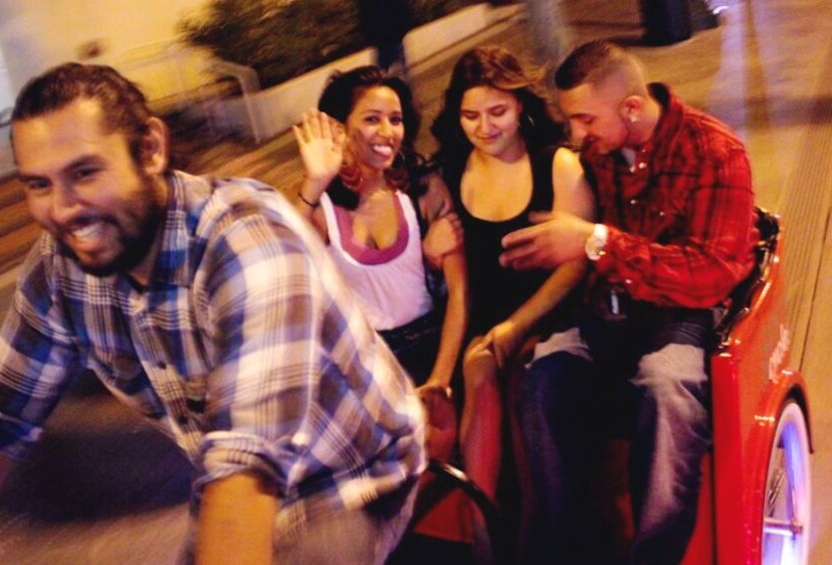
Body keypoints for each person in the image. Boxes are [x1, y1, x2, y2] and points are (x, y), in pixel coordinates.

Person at [0, 62, 426, 565]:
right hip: (233, 479)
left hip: (354, 481)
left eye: (85, 173)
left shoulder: (247, 243)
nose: (62, 209)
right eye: (39, 185)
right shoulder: (59, 268)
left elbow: (246, 462)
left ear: (151, 149)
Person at [499, 40, 757, 564]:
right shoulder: (597, 152)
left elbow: (710, 274)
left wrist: (598, 241)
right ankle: (568, 549)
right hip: (609, 313)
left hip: (681, 315)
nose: (576, 134)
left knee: (666, 389)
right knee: (544, 376)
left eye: (585, 119)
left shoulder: (715, 152)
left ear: (632, 108)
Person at [428, 45, 595, 559]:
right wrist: (433, 245)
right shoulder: (451, 170)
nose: (484, 127)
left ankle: (527, 538)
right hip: (482, 323)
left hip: (551, 318)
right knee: (478, 365)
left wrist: (519, 326)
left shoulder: (557, 165)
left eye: (497, 112)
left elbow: (577, 265)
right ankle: (486, 533)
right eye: (470, 115)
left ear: (521, 106)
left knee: (512, 371)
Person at [292, 65, 468, 396]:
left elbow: (460, 294)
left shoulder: (423, 188)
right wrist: (315, 182)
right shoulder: (320, 205)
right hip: (366, 365)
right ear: (341, 127)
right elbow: (286, 266)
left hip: (433, 347)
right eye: (372, 119)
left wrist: (439, 381)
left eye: (396, 120)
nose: (388, 132)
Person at [357, 0, 414, 77]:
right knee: (396, 71)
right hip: (390, 36)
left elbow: (365, 15)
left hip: (385, 37)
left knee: (384, 71)